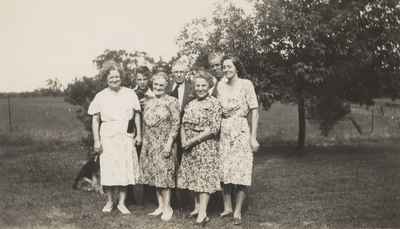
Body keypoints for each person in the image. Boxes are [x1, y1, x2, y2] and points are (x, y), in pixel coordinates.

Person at [88, 66, 142, 214]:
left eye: (117, 76)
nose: (114, 79)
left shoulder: (130, 94)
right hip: (108, 136)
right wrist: (96, 141)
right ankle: (110, 201)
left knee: (125, 168)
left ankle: (122, 203)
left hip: (125, 135)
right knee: (109, 169)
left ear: (121, 77)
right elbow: (95, 119)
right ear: (106, 79)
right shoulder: (100, 96)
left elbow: (137, 114)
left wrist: (139, 134)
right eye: (111, 77)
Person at [217, 56, 260, 225]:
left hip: (241, 128)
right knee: (225, 170)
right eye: (223, 67)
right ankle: (227, 207)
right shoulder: (220, 85)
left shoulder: (246, 84)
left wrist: (253, 137)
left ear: (236, 67)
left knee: (242, 169)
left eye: (229, 66)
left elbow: (254, 111)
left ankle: (237, 210)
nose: (226, 69)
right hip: (224, 130)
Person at [177, 70, 222, 226]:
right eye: (198, 85)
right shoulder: (190, 103)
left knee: (203, 179)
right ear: (194, 87)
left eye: (204, 85)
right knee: (193, 178)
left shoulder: (214, 103)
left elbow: (214, 128)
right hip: (189, 147)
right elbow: (182, 124)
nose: (201, 88)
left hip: (205, 146)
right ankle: (196, 208)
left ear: (209, 86)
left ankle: (203, 213)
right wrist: (184, 141)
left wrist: (193, 141)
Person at [139, 72, 180, 221]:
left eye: (161, 85)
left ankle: (168, 207)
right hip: (150, 143)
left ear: (166, 86)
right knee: (155, 174)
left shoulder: (172, 101)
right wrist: (145, 143)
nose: (158, 87)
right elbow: (145, 124)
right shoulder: (147, 102)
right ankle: (160, 205)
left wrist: (169, 143)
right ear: (152, 85)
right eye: (156, 85)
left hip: (165, 143)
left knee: (165, 175)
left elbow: (176, 124)